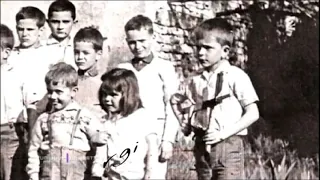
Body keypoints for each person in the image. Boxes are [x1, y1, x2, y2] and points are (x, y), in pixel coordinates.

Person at [170, 18, 260, 180]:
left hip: (228, 144)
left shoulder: (235, 76)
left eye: (207, 48)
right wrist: (184, 122)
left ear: (225, 51)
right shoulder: (194, 79)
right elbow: (175, 100)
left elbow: (253, 113)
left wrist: (223, 134)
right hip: (201, 144)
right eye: (198, 48)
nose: (201, 53)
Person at [27, 26, 107, 179]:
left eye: (85, 53)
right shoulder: (64, 82)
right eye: (76, 52)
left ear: (98, 54)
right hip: (60, 153)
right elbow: (41, 110)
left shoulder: (103, 83)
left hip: (92, 151)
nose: (80, 57)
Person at [117, 14, 180, 179]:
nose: (137, 46)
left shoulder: (164, 67)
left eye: (142, 41)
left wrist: (168, 140)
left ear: (152, 37)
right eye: (132, 42)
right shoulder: (123, 69)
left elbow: (171, 106)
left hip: (156, 133)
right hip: (128, 132)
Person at [91, 68, 159, 180]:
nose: (107, 99)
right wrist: (96, 172)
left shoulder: (142, 118)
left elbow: (152, 149)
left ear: (128, 95)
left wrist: (150, 173)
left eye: (113, 95)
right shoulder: (106, 121)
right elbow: (101, 150)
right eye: (104, 94)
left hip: (136, 176)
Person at [0, 24, 27, 180]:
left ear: (6, 52)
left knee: (8, 173)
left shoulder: (16, 73)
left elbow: (27, 102)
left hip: (9, 133)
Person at [45, 0, 78, 69]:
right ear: (48, 23)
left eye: (66, 22)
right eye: (55, 22)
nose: (60, 27)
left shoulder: (78, 47)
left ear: (74, 23)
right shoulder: (40, 47)